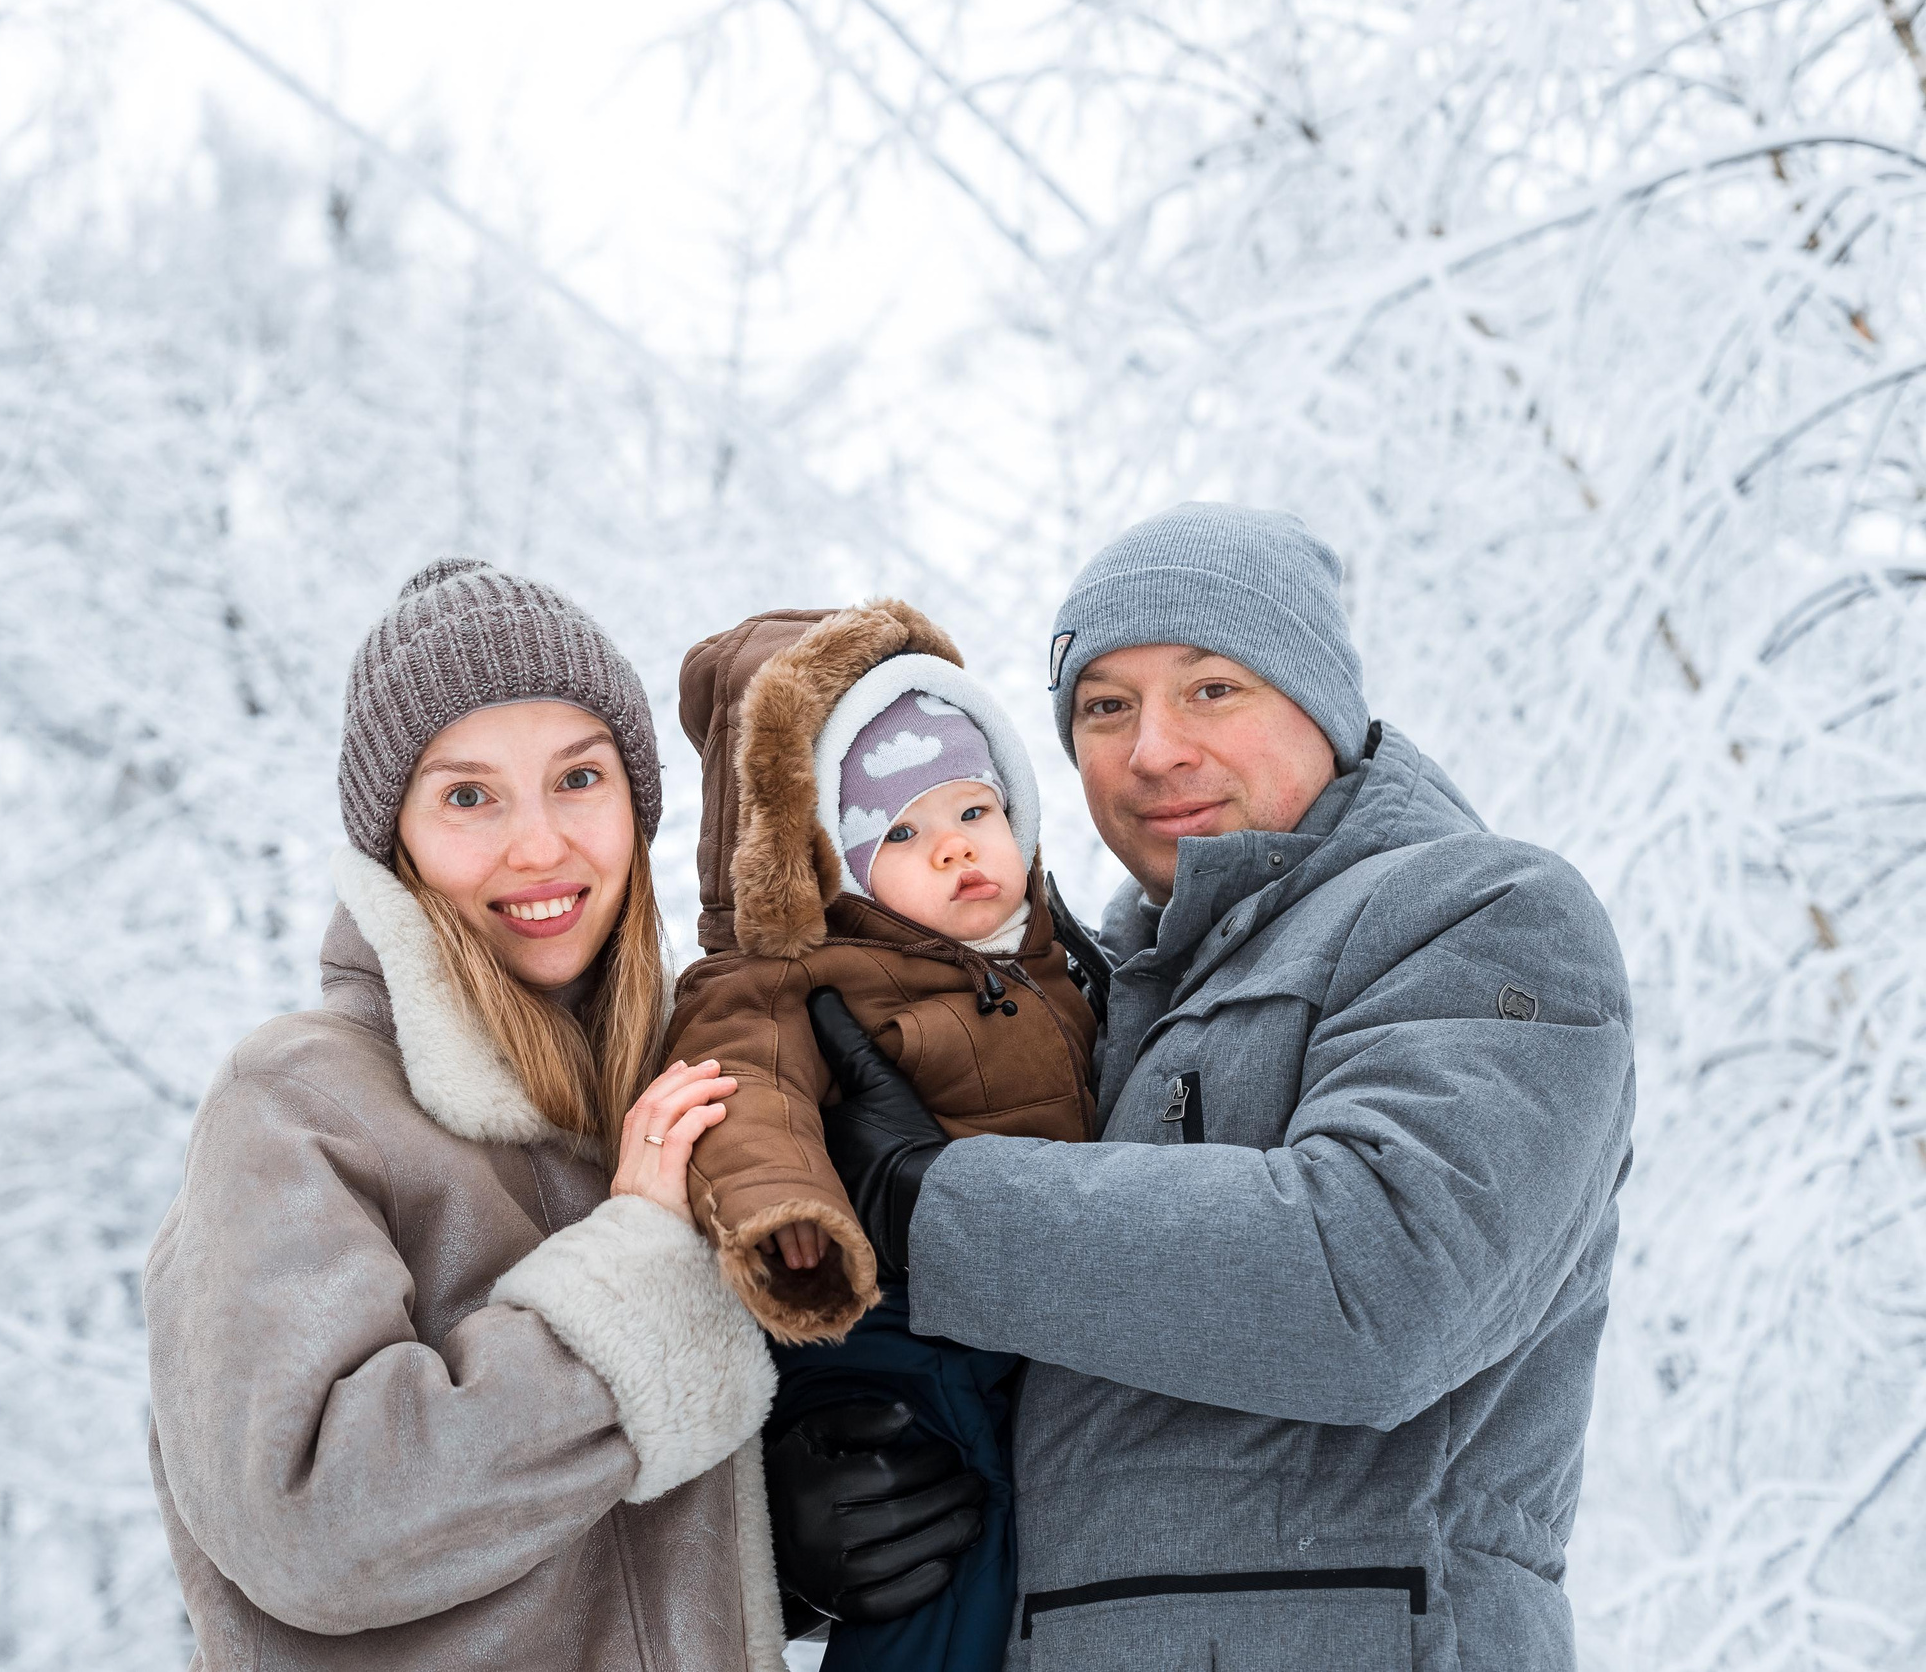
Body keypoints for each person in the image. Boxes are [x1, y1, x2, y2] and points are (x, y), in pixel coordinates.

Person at [774, 506, 1636, 1670]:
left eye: (1212, 688)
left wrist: (929, 1200)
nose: (1153, 750)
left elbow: (1376, 1286)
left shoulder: (1483, 916)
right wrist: (811, 1501)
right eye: (1104, 706)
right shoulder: (1077, 995)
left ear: (1322, 701)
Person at [144, 557, 787, 1671]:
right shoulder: (300, 1102)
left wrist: (807, 1544)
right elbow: (313, 1527)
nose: (537, 845)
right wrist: (632, 1279)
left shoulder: (675, 1086)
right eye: (468, 796)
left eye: (578, 779)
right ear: (393, 839)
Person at [663, 601, 1106, 1672]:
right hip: (892, 1328)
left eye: (972, 808)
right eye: (899, 834)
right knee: (940, 1561)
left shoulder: (1053, 953)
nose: (954, 848)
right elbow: (746, 1097)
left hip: (1010, 1308)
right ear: (831, 864)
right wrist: (788, 1214)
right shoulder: (793, 979)